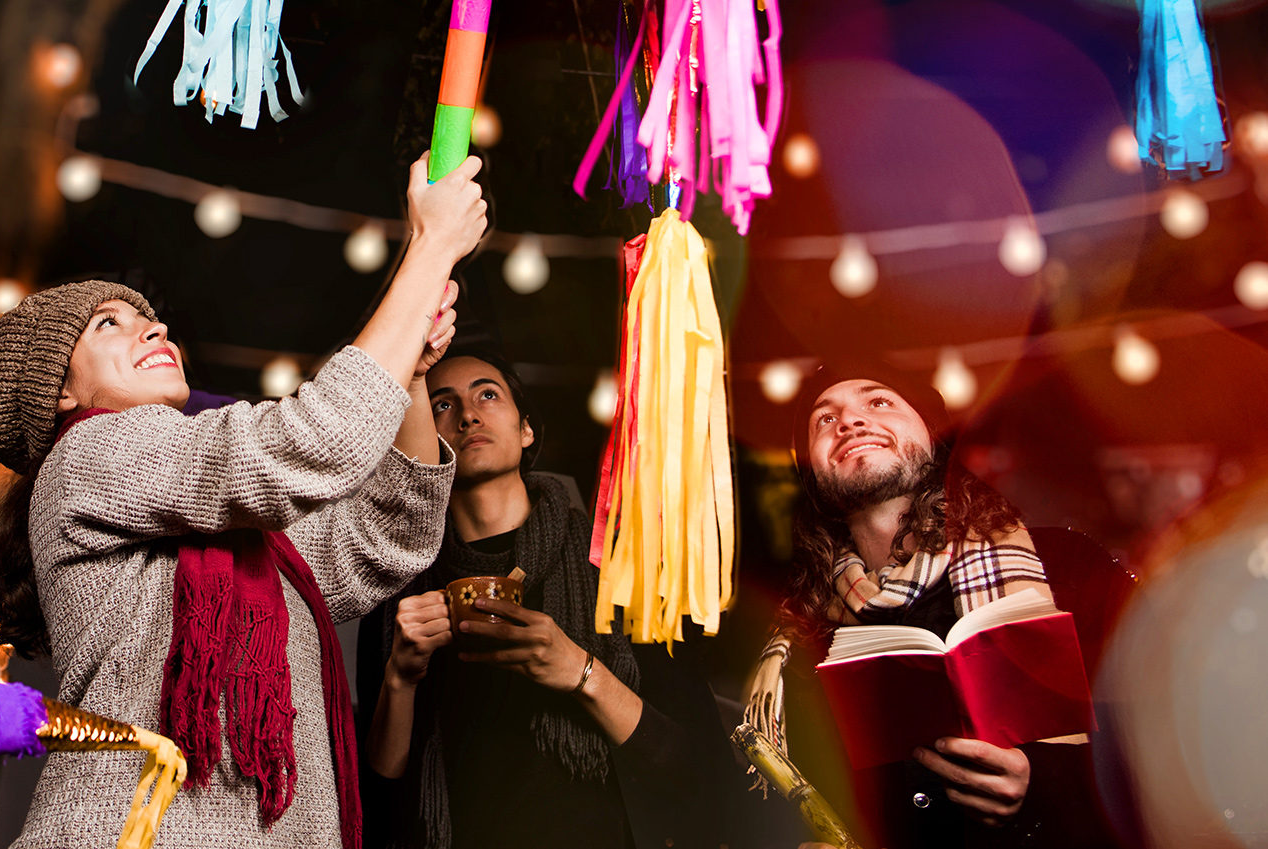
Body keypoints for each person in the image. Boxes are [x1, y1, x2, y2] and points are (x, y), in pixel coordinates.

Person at [0, 153, 488, 849]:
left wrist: (412, 376)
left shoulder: (243, 527)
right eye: (109, 325)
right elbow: (308, 443)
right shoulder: (86, 457)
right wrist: (428, 251)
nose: (152, 328)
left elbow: (385, 538)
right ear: (59, 391)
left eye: (150, 319)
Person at [360, 351, 741, 849]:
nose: (468, 415)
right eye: (441, 406)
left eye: (487, 395)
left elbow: (704, 774)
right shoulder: (398, 598)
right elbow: (375, 808)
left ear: (526, 431)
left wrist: (581, 672)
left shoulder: (620, 571)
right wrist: (400, 678)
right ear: (420, 443)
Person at [762, 360, 1134, 849]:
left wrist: (1042, 784)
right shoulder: (801, 641)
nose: (851, 422)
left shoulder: (1069, 566)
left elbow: (1158, 741)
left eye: (879, 402)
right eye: (824, 419)